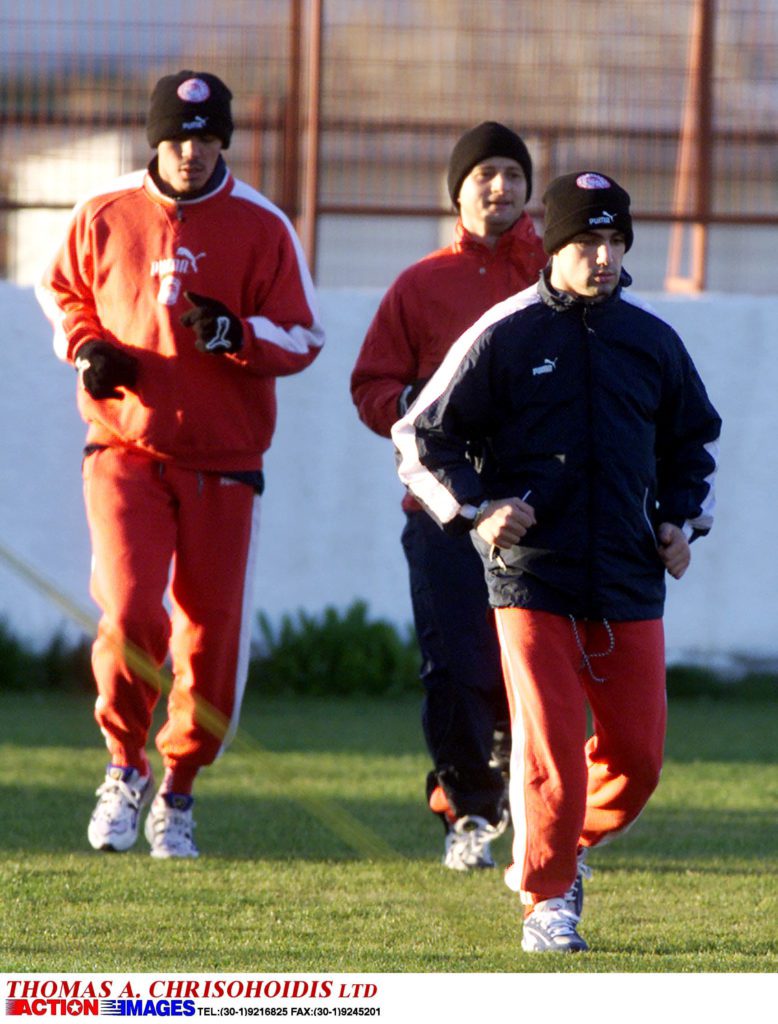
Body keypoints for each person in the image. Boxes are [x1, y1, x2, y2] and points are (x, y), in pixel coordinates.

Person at [392, 171, 721, 950]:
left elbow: (691, 445)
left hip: (630, 579)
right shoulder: (503, 332)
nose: (603, 257)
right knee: (547, 751)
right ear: (554, 244)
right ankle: (546, 900)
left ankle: (564, 843)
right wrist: (478, 508)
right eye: (586, 242)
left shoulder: (653, 341)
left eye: (614, 241)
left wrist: (681, 523)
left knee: (637, 761)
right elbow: (419, 437)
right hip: (531, 576)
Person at [37, 69, 324, 859]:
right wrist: (88, 349)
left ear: (223, 139)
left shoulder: (263, 225)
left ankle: (181, 789)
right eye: (176, 137)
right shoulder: (104, 210)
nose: (189, 152)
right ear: (153, 138)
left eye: (204, 137)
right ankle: (123, 766)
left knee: (210, 632)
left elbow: (304, 335)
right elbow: (60, 290)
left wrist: (240, 337)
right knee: (130, 610)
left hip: (226, 461)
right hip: (124, 447)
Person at [350, 123, 547, 870]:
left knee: (534, 666)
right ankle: (467, 810)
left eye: (512, 174)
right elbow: (371, 387)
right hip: (442, 513)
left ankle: (537, 806)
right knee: (454, 664)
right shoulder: (420, 283)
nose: (499, 188)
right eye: (484, 175)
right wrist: (421, 409)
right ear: (457, 190)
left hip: (540, 512)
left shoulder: (557, 277)